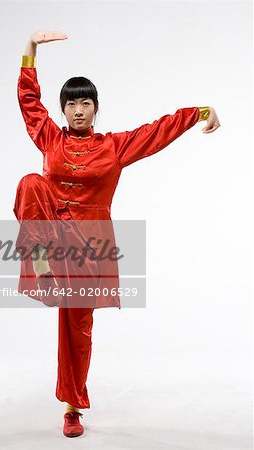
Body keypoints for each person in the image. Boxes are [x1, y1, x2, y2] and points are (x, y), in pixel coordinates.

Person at [13, 30, 221, 438]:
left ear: (95, 108)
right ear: (64, 110)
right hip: (51, 234)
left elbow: (156, 131)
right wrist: (31, 49)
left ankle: (72, 409)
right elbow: (28, 104)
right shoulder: (50, 137)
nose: (77, 110)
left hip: (89, 247)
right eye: (70, 103)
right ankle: (41, 265)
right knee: (29, 183)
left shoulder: (114, 147)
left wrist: (200, 111)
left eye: (85, 103)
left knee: (78, 328)